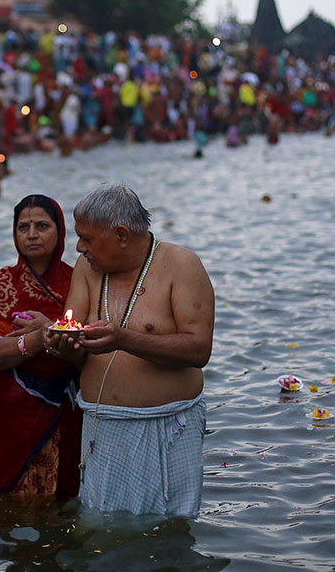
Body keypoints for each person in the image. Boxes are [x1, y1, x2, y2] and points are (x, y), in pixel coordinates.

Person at [44, 183, 214, 517]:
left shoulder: (181, 265)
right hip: (102, 428)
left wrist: (125, 339)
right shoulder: (87, 270)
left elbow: (198, 349)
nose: (79, 248)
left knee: (169, 532)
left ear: (121, 235)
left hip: (167, 426)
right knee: (102, 530)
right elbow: (74, 343)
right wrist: (59, 344)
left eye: (88, 239)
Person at [0, 194, 82, 499]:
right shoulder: (0, 284)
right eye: (23, 227)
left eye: (41, 226)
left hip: (69, 409)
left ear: (59, 230)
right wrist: (39, 339)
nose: (32, 234)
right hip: (14, 416)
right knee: (13, 510)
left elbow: (89, 341)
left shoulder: (79, 281)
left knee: (66, 506)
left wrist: (47, 327)